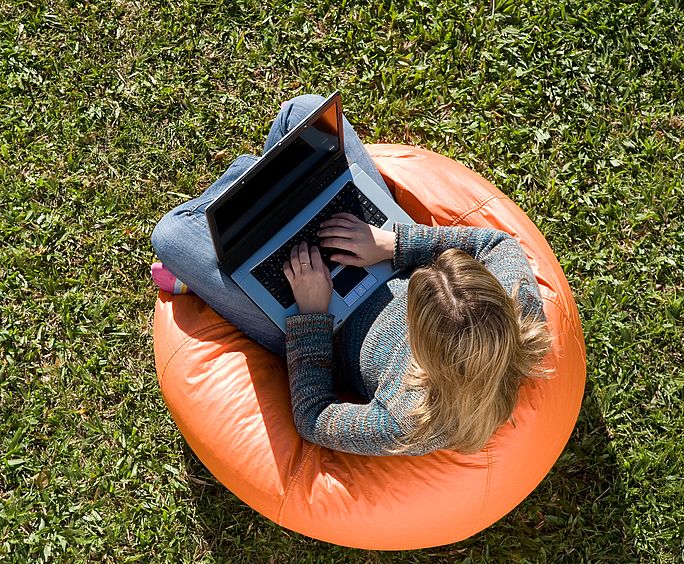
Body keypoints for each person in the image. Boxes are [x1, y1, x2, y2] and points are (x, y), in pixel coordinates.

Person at [151, 94, 553, 457]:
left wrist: (311, 315)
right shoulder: (521, 312)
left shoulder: (403, 421)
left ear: (423, 350)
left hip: (318, 322)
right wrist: (393, 245)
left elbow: (314, 418)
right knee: (304, 111)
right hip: (375, 252)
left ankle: (245, 200)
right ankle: (253, 198)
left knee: (171, 234)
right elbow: (499, 244)